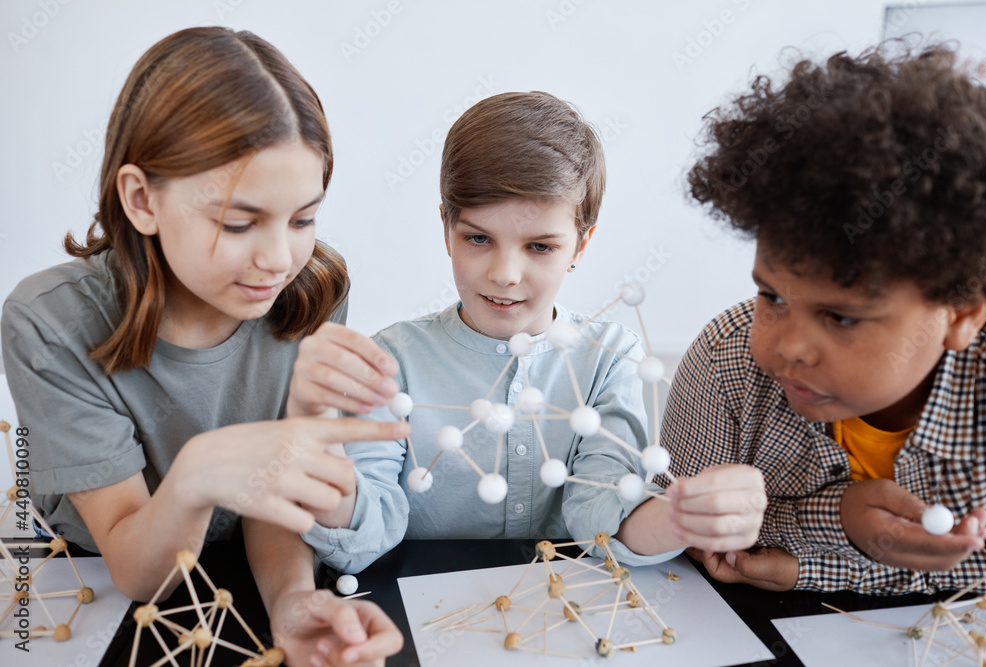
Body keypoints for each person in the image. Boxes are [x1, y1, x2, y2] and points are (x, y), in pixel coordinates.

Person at [2, 27, 407, 666]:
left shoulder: (311, 291)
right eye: (238, 223)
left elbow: (274, 498)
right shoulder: (49, 321)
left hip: (246, 565)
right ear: (141, 199)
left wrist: (293, 604)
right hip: (100, 586)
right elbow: (138, 570)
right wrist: (198, 472)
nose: (279, 259)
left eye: (303, 218)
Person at [304, 91, 766, 570]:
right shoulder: (389, 362)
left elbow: (605, 519)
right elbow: (363, 540)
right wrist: (319, 469)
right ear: (446, 229)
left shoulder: (609, 360)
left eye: (540, 247)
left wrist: (684, 517)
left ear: (580, 246)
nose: (505, 273)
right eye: (478, 238)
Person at [655, 42, 986, 594]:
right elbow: (680, 530)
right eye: (773, 298)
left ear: (961, 314)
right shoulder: (727, 360)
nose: (790, 346)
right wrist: (838, 516)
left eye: (839, 318)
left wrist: (812, 561)